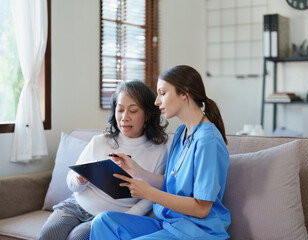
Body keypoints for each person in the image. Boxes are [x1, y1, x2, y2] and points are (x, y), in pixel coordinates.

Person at [90, 65, 231, 240]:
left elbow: (201, 208)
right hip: (170, 224)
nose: (157, 101)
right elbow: (171, 182)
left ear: (184, 93)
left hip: (197, 232)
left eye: (162, 93)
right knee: (103, 221)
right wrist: (137, 171)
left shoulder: (207, 141)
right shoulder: (181, 132)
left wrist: (148, 193)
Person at [39, 81, 169, 240]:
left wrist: (113, 221)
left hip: (110, 217)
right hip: (76, 205)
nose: (124, 117)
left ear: (147, 114)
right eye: (120, 110)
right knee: (49, 233)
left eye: (133, 111)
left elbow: (150, 198)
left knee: (78, 237)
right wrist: (79, 180)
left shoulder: (158, 151)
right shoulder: (100, 141)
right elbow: (71, 180)